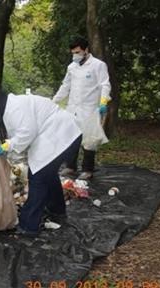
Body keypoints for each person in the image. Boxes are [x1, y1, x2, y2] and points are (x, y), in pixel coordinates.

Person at [0, 90, 82, 236]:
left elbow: (27, 132)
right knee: (48, 174)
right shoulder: (13, 105)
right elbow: (21, 133)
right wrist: (7, 147)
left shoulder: (15, 108)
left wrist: (5, 147)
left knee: (38, 178)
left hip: (60, 135)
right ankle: (57, 209)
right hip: (65, 133)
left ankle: (29, 226)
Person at [53, 36, 111, 180]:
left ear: (86, 50)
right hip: (73, 108)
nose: (75, 55)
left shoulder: (98, 65)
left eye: (78, 52)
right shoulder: (71, 67)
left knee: (89, 140)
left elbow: (105, 84)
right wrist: (53, 101)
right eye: (73, 53)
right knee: (71, 138)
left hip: (89, 109)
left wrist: (103, 101)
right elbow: (65, 86)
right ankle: (70, 167)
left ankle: (87, 169)